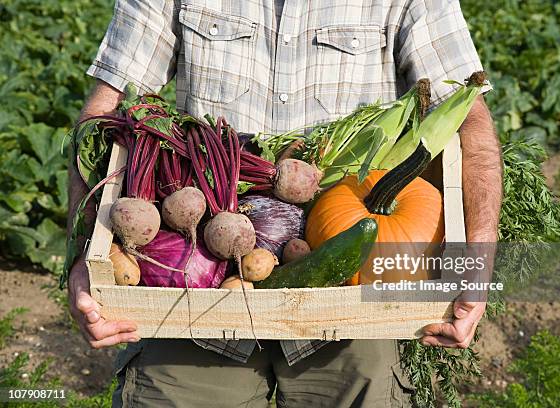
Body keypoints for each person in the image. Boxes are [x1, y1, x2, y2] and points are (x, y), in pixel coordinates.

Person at [67, 1, 502, 406]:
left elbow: (470, 121)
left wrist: (476, 263)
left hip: (349, 283)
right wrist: (85, 258)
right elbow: (105, 113)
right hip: (200, 272)